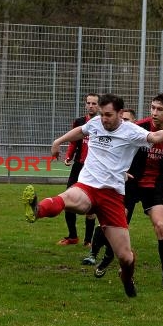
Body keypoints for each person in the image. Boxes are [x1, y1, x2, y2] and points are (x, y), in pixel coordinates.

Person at [22, 93, 163, 297]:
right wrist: (59, 141)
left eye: (108, 115)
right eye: (102, 114)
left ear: (120, 113)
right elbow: (80, 131)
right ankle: (36, 209)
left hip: (114, 196)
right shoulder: (96, 123)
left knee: (126, 257)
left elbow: (154, 137)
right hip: (88, 186)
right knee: (68, 199)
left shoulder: (131, 130)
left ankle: (127, 277)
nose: (104, 119)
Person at [90, 94, 163, 290]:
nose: (154, 112)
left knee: (161, 226)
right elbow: (116, 146)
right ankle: (106, 257)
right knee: (117, 223)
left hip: (155, 187)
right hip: (130, 183)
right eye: (152, 108)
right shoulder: (140, 127)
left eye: (159, 109)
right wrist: (119, 169)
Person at [81, 107, 136, 266]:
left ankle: (108, 256)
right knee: (106, 222)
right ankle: (93, 254)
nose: (123, 122)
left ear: (134, 123)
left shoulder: (137, 137)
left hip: (131, 186)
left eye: (127, 120)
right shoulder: (114, 136)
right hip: (113, 184)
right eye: (122, 119)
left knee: (120, 225)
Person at [60, 93, 99, 246]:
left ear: (99, 106)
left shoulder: (103, 123)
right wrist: (69, 156)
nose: (91, 106)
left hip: (94, 169)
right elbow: (73, 141)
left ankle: (88, 241)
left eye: (94, 103)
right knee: (67, 198)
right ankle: (72, 236)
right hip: (78, 165)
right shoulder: (79, 122)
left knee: (91, 204)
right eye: (88, 103)